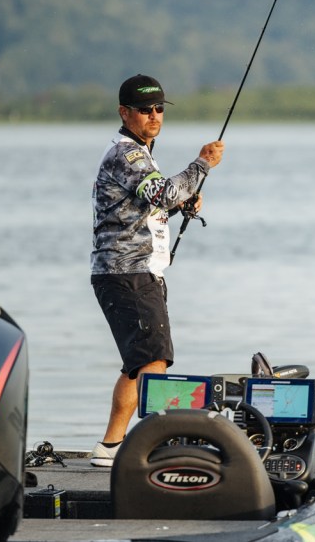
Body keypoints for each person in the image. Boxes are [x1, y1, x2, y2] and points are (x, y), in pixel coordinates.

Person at [88, 74, 224, 467]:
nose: (154, 115)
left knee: (139, 363)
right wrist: (202, 164)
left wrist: (182, 204)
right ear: (124, 112)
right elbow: (162, 192)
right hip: (127, 273)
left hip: (131, 272)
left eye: (159, 108)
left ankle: (111, 446)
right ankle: (154, 443)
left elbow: (152, 205)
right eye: (145, 109)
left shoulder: (141, 154)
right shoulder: (126, 155)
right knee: (154, 361)